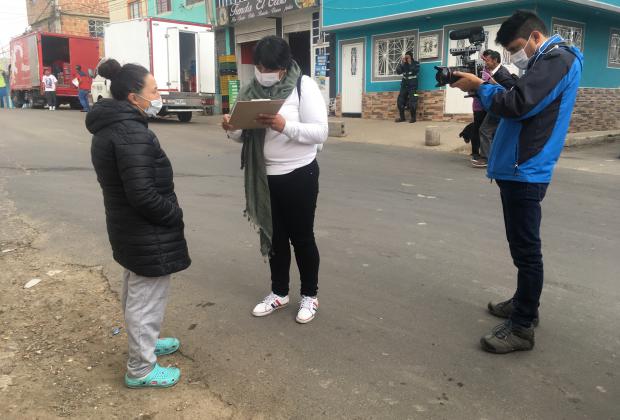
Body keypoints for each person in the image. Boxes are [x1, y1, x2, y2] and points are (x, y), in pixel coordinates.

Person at [451, 10, 583, 354]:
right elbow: (525, 95)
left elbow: (520, 104)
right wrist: (496, 80)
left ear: (536, 37)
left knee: (526, 250)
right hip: (519, 166)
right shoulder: (546, 62)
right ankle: (525, 304)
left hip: (527, 168)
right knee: (521, 247)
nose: (515, 55)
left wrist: (482, 88)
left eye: (516, 47)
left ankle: (523, 326)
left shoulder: (558, 59)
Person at [86, 59, 191, 387]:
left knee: (137, 290)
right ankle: (141, 369)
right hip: (146, 230)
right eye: (154, 90)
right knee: (146, 296)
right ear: (134, 97)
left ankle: (147, 341)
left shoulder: (112, 127)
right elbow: (143, 195)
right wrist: (173, 215)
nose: (159, 96)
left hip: (130, 229)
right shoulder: (131, 133)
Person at [221, 36, 328, 324]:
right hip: (264, 176)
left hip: (299, 174)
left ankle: (310, 295)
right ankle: (279, 292)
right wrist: (231, 128)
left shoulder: (303, 87)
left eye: (269, 68)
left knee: (302, 238)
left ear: (283, 67)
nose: (263, 72)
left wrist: (285, 126)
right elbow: (242, 136)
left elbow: (320, 133)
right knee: (275, 239)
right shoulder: (249, 90)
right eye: (259, 66)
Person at [473, 50, 519, 168]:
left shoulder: (501, 74)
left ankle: (486, 158)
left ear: (495, 60)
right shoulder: (495, 72)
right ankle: (498, 157)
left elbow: (511, 92)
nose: (485, 63)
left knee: (485, 130)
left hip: (500, 108)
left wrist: (495, 85)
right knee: (496, 132)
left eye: (487, 60)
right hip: (497, 107)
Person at [395, 51, 420, 123]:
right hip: (404, 85)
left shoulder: (416, 63)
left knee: (413, 101)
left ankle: (413, 118)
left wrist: (410, 63)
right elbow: (398, 72)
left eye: (408, 57)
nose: (406, 58)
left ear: (411, 57)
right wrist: (402, 63)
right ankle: (402, 118)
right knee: (400, 101)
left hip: (413, 85)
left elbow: (416, 71)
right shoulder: (403, 64)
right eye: (406, 57)